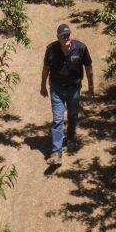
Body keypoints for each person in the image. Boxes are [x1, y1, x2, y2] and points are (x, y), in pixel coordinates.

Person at [40, 23, 94, 166]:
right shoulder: (51, 49)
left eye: (68, 34)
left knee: (72, 115)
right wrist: (43, 85)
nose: (67, 38)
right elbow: (46, 68)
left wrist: (91, 86)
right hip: (56, 88)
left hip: (74, 88)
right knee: (58, 119)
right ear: (58, 38)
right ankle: (56, 153)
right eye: (63, 36)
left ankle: (71, 137)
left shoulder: (81, 48)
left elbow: (88, 67)